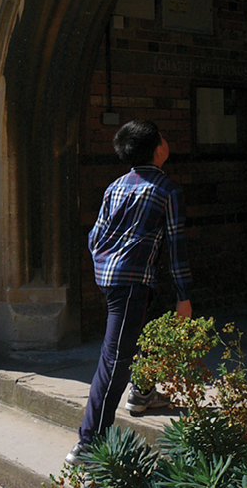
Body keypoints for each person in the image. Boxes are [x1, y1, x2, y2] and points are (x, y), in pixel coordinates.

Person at [66, 119, 192, 466]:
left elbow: (94, 237)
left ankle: (143, 392)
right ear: (158, 148)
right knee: (115, 360)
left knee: (148, 327)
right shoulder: (167, 190)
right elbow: (176, 249)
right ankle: (88, 443)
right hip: (131, 282)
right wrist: (185, 296)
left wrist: (108, 262)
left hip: (115, 279)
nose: (166, 140)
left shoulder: (116, 186)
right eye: (163, 136)